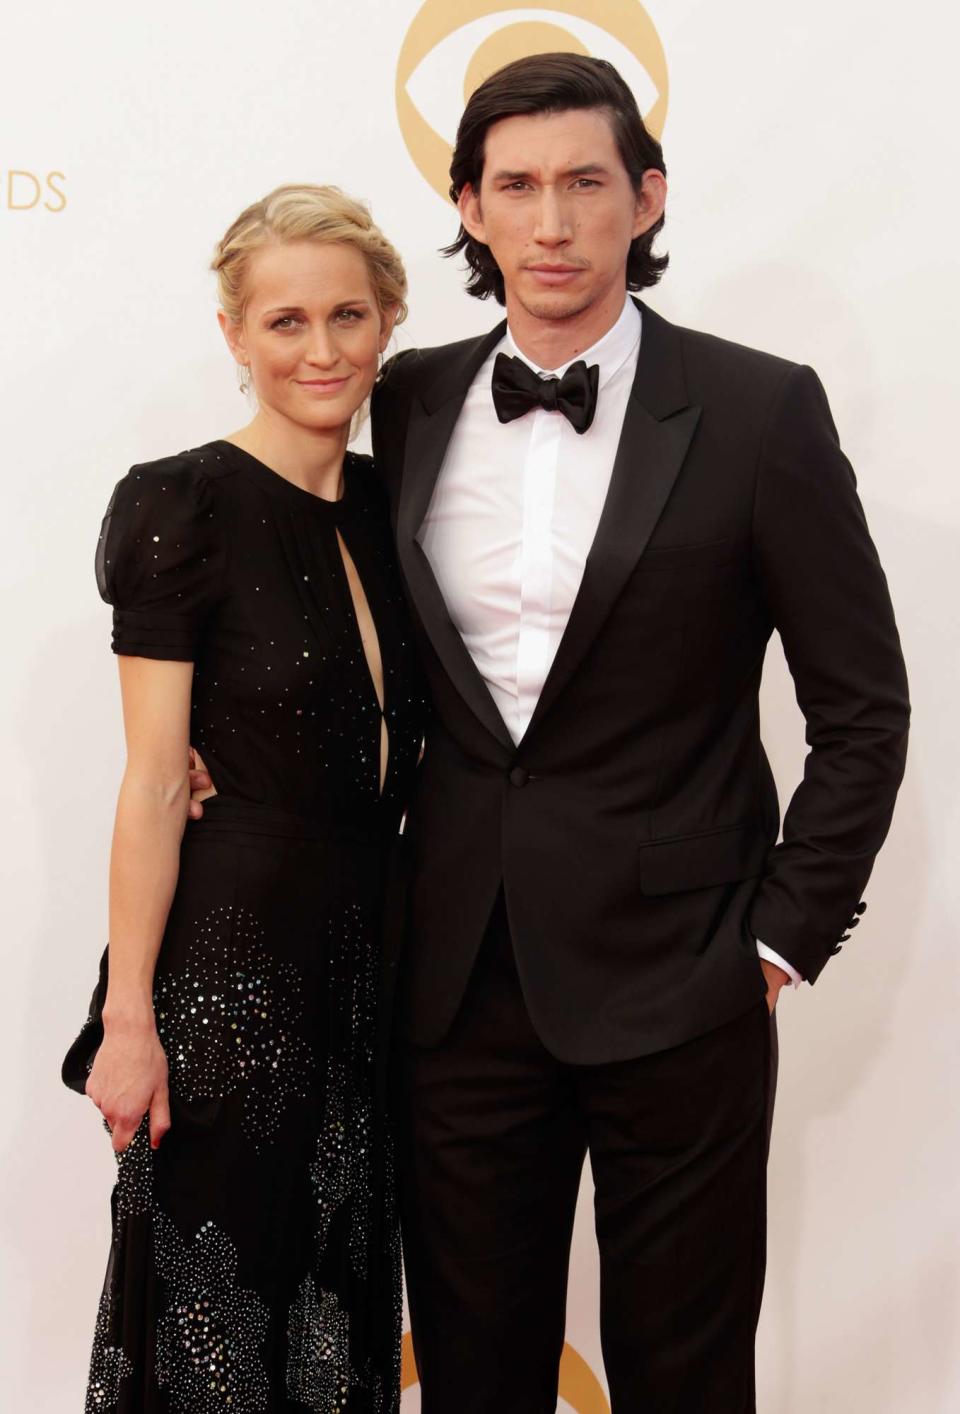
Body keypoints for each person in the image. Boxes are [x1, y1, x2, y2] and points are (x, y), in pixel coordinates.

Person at [363, 54, 909, 1412]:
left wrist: (781, 935)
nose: (552, 221)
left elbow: (862, 700)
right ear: (472, 208)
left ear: (645, 198)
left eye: (586, 183)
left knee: (684, 1376)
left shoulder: (758, 407)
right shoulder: (409, 400)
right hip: (457, 980)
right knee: (475, 1378)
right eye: (519, 186)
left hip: (687, 976)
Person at [62, 184, 428, 1412]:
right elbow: (158, 777)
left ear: (389, 321)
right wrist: (128, 1017)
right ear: (233, 334)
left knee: (338, 1319)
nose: (320, 350)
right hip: (229, 967)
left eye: (347, 315)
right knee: (213, 1329)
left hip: (372, 965)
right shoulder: (182, 503)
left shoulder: (401, 507)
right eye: (284, 322)